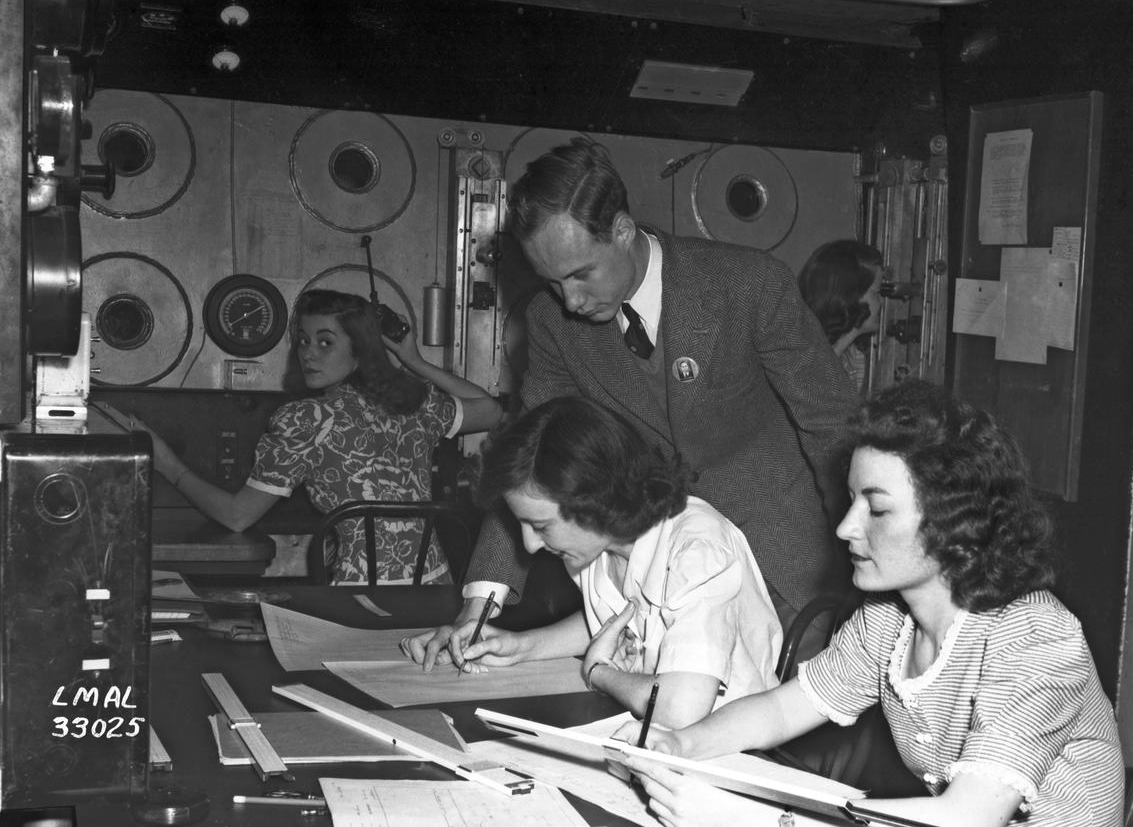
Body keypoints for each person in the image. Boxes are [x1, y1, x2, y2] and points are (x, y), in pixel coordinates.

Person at [617, 380, 1133, 827]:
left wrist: (740, 816)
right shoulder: (889, 617)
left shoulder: (1037, 638)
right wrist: (678, 745)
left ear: (956, 521)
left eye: (878, 508)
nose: (846, 526)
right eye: (851, 501)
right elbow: (783, 708)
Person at [415, 137, 855, 666]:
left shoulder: (747, 284)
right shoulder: (553, 325)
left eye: (581, 274)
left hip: (785, 564)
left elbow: (834, 430)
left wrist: (862, 564)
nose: (571, 302)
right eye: (552, 283)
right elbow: (528, 461)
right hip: (652, 586)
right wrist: (478, 607)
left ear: (623, 230)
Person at [405, 396, 781, 728]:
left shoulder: (699, 550)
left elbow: (679, 707)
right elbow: (618, 623)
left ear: (595, 500)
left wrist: (598, 672)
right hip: (655, 731)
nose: (530, 545)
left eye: (540, 526)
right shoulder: (597, 546)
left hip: (728, 745)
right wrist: (523, 646)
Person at [114, 289, 502, 584]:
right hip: (433, 586)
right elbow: (490, 408)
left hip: (360, 595)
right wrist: (413, 361)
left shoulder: (308, 419)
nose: (308, 353)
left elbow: (237, 516)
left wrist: (165, 462)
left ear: (359, 351)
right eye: (303, 340)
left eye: (325, 341)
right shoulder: (414, 404)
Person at [798, 239, 885, 396]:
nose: (881, 301)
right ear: (849, 297)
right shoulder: (805, 362)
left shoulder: (854, 358)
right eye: (876, 292)